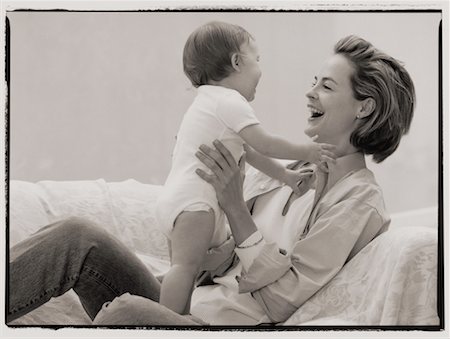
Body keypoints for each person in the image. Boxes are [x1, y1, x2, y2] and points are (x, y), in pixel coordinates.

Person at [7, 34, 415, 326]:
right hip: (186, 304)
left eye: (325, 86)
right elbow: (215, 264)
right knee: (77, 236)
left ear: (365, 108)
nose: (309, 94)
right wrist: (197, 190)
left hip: (215, 326)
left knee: (129, 313)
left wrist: (235, 207)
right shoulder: (287, 176)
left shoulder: (358, 201)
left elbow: (278, 301)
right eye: (313, 82)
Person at [156, 21, 336, 315]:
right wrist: (307, 151)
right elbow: (263, 143)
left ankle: (176, 319)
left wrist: (285, 176)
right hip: (195, 204)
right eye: (257, 59)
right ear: (237, 62)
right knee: (183, 270)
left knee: (183, 272)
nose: (260, 70)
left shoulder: (206, 103)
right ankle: (165, 325)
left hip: (178, 200)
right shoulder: (230, 101)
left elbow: (248, 152)